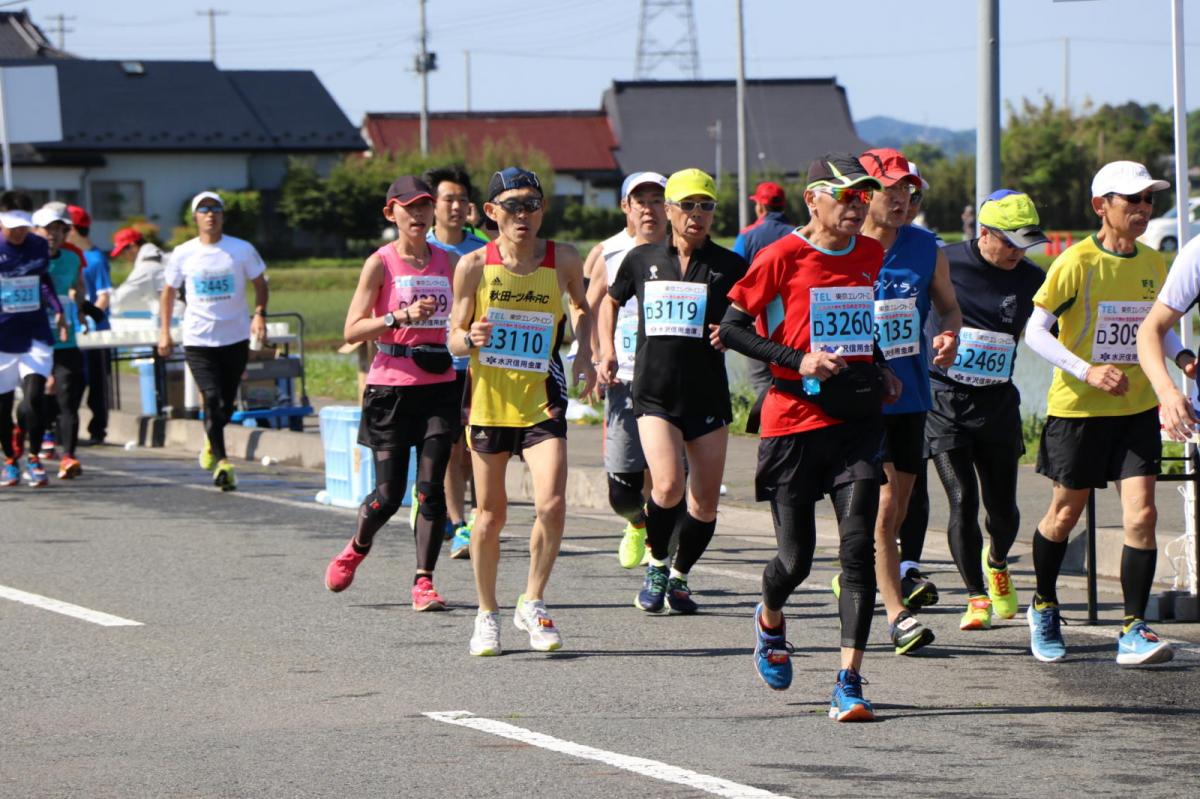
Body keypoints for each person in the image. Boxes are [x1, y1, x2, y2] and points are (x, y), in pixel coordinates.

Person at [720, 153, 899, 722]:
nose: (857, 206)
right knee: (794, 560)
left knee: (856, 552)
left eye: (863, 196)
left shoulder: (872, 253)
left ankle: (849, 679)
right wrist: (800, 361)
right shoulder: (781, 255)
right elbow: (730, 330)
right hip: (793, 422)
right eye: (846, 196)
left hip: (856, 422)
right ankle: (770, 616)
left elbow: (857, 324)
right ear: (813, 200)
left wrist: (882, 365)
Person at [1024, 160, 1175, 666]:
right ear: (1100, 207)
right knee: (1064, 515)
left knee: (1144, 513)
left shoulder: (1156, 263)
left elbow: (1160, 327)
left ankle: (1133, 626)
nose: (1143, 209)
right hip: (1079, 410)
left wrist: (1183, 357)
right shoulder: (1075, 262)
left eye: (1148, 200)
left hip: (1136, 406)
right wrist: (1086, 370)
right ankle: (1043, 603)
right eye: (1131, 200)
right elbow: (1035, 331)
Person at [447, 167, 594, 656]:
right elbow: (452, 334)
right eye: (512, 205)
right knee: (490, 516)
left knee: (551, 504)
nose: (523, 215)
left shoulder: (564, 258)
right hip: (489, 403)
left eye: (532, 204)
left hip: (541, 400)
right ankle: (486, 613)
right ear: (490, 213)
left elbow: (581, 306)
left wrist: (588, 354)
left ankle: (532, 600)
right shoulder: (472, 265)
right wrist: (469, 339)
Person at [598, 168, 745, 615]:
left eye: (706, 206)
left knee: (703, 501)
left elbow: (756, 317)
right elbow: (610, 300)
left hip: (706, 395)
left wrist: (732, 332)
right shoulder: (641, 259)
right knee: (666, 487)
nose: (696, 215)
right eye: (687, 206)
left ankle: (681, 576)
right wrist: (605, 351)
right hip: (654, 393)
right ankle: (657, 564)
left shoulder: (731, 266)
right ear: (669, 210)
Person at [324, 176, 459, 611]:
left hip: (439, 384)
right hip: (391, 386)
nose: (418, 215)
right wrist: (398, 315)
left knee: (430, 491)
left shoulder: (450, 262)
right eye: (409, 207)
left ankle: (424, 582)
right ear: (391, 213)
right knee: (387, 496)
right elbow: (351, 329)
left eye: (425, 206)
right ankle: (358, 546)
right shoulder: (380, 263)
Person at [926, 191, 1047, 630]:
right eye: (1010, 241)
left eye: (1025, 243)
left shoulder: (1032, 279)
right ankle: (975, 596)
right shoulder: (943, 263)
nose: (1018, 251)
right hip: (943, 401)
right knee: (962, 500)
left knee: (1003, 512)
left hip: (997, 403)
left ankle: (996, 562)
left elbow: (1059, 330)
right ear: (984, 232)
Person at [857, 147, 960, 655]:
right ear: (864, 193)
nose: (902, 200)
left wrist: (949, 336)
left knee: (894, 511)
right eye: (890, 190)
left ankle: (872, 572)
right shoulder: (840, 247)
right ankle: (898, 615)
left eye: (909, 191)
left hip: (911, 395)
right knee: (880, 511)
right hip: (854, 400)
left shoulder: (926, 248)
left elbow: (949, 307)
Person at [583, 171, 668, 569]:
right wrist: (596, 355)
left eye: (656, 200)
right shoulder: (608, 252)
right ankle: (636, 522)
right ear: (625, 208)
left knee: (665, 475)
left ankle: (659, 551)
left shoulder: (680, 249)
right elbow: (588, 305)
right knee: (623, 490)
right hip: (623, 375)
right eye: (641, 201)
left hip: (669, 379)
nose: (649, 209)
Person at [157, 191, 269, 491]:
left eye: (216, 209)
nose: (210, 215)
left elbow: (261, 283)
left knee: (227, 404)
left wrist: (260, 314)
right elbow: (168, 293)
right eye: (204, 210)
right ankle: (223, 462)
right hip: (198, 339)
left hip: (234, 337)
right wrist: (164, 331)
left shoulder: (241, 249)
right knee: (212, 397)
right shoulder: (183, 253)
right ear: (195, 217)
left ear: (222, 215)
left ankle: (210, 441)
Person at [424, 165, 490, 559]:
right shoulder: (423, 251)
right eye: (448, 199)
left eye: (462, 199)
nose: (455, 206)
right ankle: (459, 523)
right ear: (432, 204)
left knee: (478, 446)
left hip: (480, 364)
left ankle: (483, 517)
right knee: (450, 447)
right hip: (438, 363)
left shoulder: (481, 249)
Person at [0, 192, 65, 488]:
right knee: (2, 409)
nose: (18, 232)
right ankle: (11, 460)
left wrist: (58, 309)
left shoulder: (38, 245)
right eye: (12, 225)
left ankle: (35, 456)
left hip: (35, 333)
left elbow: (43, 280)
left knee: (34, 398)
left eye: (23, 225)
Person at [732, 181, 798, 424]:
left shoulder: (748, 235)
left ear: (760, 207)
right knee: (793, 376)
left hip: (757, 319)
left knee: (761, 378)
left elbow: (734, 274)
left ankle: (770, 426)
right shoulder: (798, 233)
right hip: (794, 322)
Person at [32, 204, 88, 479]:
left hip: (66, 339)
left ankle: (69, 456)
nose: (53, 234)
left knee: (69, 398)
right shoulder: (23, 259)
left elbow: (78, 286)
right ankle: (33, 446)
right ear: (35, 231)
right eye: (47, 229)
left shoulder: (72, 258)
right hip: (32, 340)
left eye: (58, 228)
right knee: (36, 398)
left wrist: (82, 307)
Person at [67, 205, 112, 446]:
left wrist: (93, 318)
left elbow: (104, 295)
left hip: (96, 333)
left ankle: (98, 429)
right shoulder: (68, 256)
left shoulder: (96, 258)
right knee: (72, 382)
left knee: (97, 383)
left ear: (74, 229)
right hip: (71, 331)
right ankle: (67, 427)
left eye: (65, 227)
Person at [110, 227, 171, 315]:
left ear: (133, 246)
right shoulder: (161, 257)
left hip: (175, 319)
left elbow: (119, 300)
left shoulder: (146, 268)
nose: (122, 257)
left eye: (123, 252)